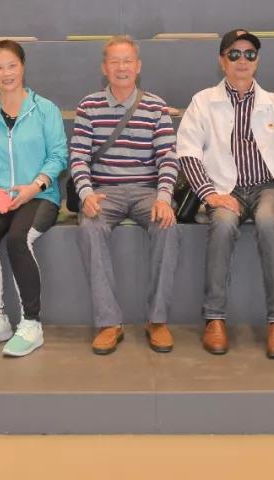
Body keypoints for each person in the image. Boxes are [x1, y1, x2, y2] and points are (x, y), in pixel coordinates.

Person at [176, 29, 274, 359]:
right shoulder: (202, 102)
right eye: (234, 54)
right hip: (225, 189)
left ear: (257, 61)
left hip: (269, 187)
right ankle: (214, 319)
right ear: (222, 61)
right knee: (223, 223)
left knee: (268, 221)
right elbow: (188, 152)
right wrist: (209, 194)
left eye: (249, 54)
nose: (242, 60)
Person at [71, 36, 180, 355]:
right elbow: (78, 157)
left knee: (167, 225)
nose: (122, 67)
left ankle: (157, 320)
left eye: (128, 61)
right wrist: (87, 194)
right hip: (105, 192)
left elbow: (168, 157)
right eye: (115, 62)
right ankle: (109, 323)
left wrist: (164, 197)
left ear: (138, 66)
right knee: (90, 228)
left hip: (148, 191)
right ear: (104, 68)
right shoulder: (89, 106)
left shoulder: (156, 106)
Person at [0, 40, 67, 358]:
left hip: (38, 195)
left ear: (23, 66)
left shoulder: (45, 110)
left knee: (19, 239)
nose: (6, 73)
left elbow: (58, 156)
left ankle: (31, 324)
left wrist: (34, 187)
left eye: (12, 65)